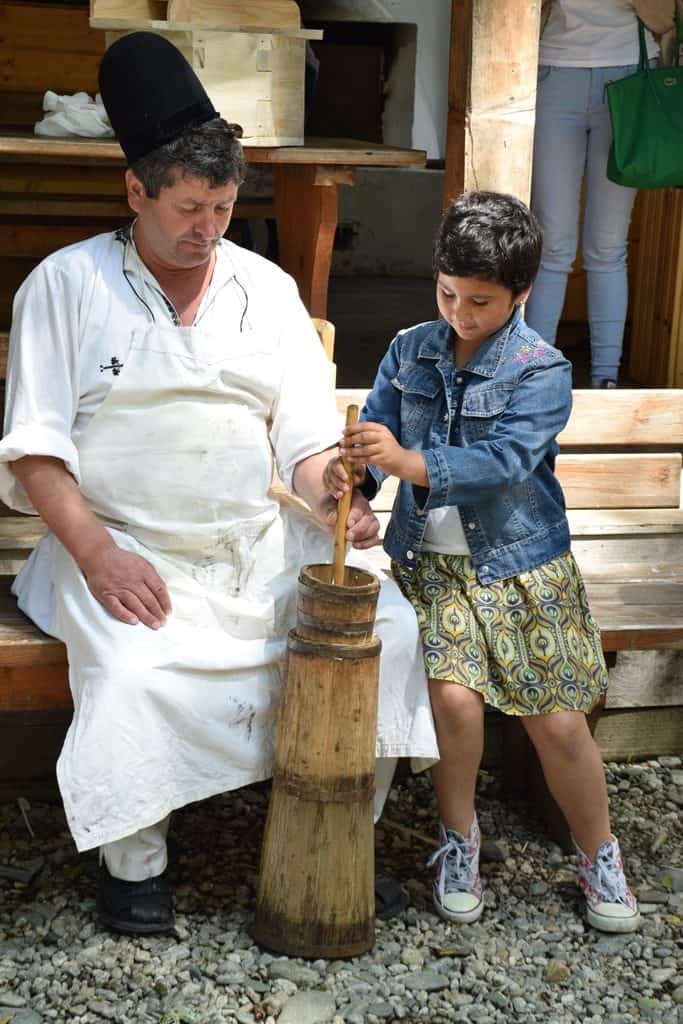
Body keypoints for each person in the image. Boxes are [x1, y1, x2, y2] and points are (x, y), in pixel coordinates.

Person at [0, 32, 438, 935]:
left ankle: (337, 834)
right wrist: (98, 555)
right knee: (131, 665)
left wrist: (333, 500)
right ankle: (135, 861)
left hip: (250, 542)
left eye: (226, 209)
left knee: (386, 629)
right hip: (119, 543)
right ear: (136, 191)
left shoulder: (267, 290)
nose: (207, 231)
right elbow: (36, 450)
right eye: (190, 209)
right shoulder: (65, 285)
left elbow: (309, 443)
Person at [324, 191, 640, 934]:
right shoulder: (410, 348)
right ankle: (458, 839)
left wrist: (409, 459)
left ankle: (598, 854)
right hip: (431, 566)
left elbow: (505, 463)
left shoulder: (542, 368)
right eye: (447, 294)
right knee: (453, 705)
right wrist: (359, 479)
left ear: (521, 292)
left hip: (524, 566)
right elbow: (376, 429)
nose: (460, 314)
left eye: (480, 302)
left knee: (557, 722)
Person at [525, 0, 677, 388]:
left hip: (631, 72)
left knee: (608, 246)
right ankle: (536, 377)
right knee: (553, 244)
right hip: (555, 71)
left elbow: (666, 16)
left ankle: (605, 379)